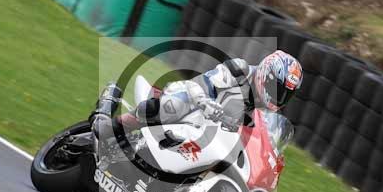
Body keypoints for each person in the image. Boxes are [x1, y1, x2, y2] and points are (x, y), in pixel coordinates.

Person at [75, 50, 304, 152]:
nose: (279, 96)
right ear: (266, 74)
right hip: (193, 101)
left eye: (285, 93)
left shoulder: (265, 111)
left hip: (214, 135)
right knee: (172, 107)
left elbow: (257, 137)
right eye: (278, 88)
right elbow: (203, 82)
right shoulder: (240, 70)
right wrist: (205, 103)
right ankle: (108, 126)